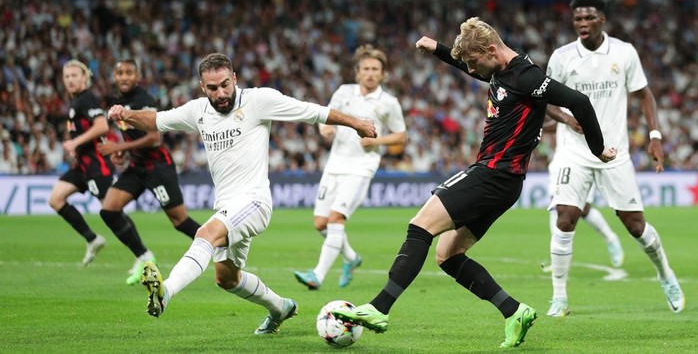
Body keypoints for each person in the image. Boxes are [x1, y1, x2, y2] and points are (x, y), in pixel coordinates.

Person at [332, 17, 617, 349]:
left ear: (491, 50)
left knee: (419, 227)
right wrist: (437, 48)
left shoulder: (527, 76)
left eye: (474, 62)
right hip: (505, 182)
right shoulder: (500, 69)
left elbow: (579, 102)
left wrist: (599, 150)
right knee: (447, 255)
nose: (473, 70)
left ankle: (379, 308)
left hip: (492, 174)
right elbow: (470, 65)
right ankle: (514, 312)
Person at [107, 53, 376, 334]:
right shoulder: (198, 111)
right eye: (212, 88)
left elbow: (312, 111)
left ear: (234, 78)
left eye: (225, 84)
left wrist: (356, 122)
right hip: (226, 206)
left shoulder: (259, 101)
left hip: (254, 202)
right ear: (203, 87)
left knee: (205, 234)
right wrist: (126, 115)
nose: (221, 93)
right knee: (226, 278)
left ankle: (165, 294)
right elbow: (156, 120)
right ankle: (280, 308)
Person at [545, 0, 684, 317]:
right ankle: (560, 297)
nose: (582, 23)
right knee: (565, 216)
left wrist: (654, 136)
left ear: (602, 20)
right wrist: (566, 120)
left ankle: (665, 274)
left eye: (589, 18)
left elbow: (644, 93)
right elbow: (544, 98)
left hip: (614, 152)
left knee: (635, 226)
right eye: (578, 18)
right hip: (574, 152)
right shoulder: (562, 57)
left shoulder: (623, 53)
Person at [293, 45, 407, 290]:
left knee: (336, 219)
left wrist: (376, 141)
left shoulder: (388, 102)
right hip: (335, 163)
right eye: (365, 69)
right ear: (357, 72)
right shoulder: (344, 92)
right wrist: (325, 129)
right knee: (321, 223)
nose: (370, 73)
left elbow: (401, 136)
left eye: (375, 69)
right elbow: (326, 118)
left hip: (361, 167)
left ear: (383, 74)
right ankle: (351, 258)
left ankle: (318, 275)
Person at [97, 59, 202, 285]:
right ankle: (144, 257)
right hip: (136, 167)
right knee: (109, 210)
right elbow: (132, 135)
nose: (124, 77)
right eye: (119, 73)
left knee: (180, 221)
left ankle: (221, 245)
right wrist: (123, 153)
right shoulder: (118, 101)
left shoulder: (144, 100)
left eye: (129, 72)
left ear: (137, 76)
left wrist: (118, 147)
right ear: (114, 77)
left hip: (157, 167)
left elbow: (155, 138)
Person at [47, 59, 148, 267]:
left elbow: (102, 126)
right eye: (67, 76)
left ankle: (142, 254)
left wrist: (75, 141)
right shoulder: (75, 102)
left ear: (85, 78)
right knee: (55, 199)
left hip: (96, 166)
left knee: (111, 211)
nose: (70, 80)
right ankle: (93, 239)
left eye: (75, 75)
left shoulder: (87, 99)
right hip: (81, 166)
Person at [544, 107, 624, 268]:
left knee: (583, 209)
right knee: (556, 205)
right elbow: (558, 123)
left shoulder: (593, 101)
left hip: (585, 159)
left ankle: (610, 238)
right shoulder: (563, 94)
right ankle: (557, 257)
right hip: (561, 160)